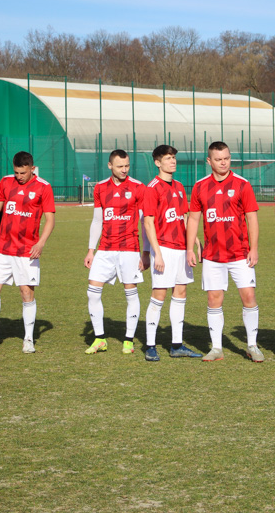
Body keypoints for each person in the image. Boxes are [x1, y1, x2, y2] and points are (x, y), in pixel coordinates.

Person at [0, 152, 55, 354]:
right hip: (2, 249)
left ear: (32, 169)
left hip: (27, 251)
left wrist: (41, 243)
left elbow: (50, 219)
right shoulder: (6, 182)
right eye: (16, 172)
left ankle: (28, 339)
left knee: (26, 293)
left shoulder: (44, 187)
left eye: (23, 173)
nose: (19, 176)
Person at [186, 141, 263, 362]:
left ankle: (252, 345)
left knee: (249, 296)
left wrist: (254, 248)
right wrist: (189, 248)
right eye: (219, 159)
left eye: (227, 158)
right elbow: (193, 218)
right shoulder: (200, 186)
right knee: (214, 299)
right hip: (212, 255)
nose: (224, 163)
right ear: (209, 161)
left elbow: (252, 218)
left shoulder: (242, 184)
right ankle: (217, 348)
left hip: (240, 253)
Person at [141, 144, 202, 361]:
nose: (173, 161)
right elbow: (148, 222)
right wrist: (156, 253)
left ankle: (177, 345)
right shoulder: (151, 188)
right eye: (168, 158)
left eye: (174, 157)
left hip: (180, 249)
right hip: (164, 248)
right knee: (159, 295)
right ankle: (150, 345)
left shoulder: (178, 186)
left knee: (181, 293)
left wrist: (194, 242)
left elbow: (184, 217)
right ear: (157, 163)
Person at [84, 150, 147, 355]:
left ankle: (128, 340)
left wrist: (144, 252)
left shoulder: (138, 187)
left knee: (131, 293)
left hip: (129, 249)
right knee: (92, 292)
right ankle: (100, 338)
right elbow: (97, 220)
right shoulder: (101, 188)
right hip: (105, 249)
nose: (124, 169)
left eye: (127, 165)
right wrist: (91, 250)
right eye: (120, 166)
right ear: (110, 166)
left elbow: (145, 223)